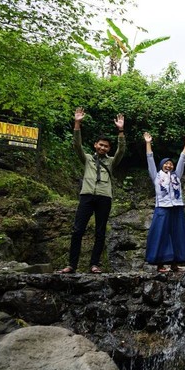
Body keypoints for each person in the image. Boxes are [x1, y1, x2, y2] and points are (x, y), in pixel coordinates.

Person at [59, 107, 125, 274]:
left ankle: (94, 264)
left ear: (108, 149)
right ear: (96, 145)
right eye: (100, 145)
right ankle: (72, 265)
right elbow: (76, 145)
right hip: (87, 196)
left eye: (106, 146)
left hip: (104, 197)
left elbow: (121, 151)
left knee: (100, 232)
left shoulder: (110, 162)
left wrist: (121, 131)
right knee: (77, 230)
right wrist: (77, 123)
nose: (103, 148)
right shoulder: (87, 159)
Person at [143, 132, 185, 273]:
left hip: (177, 207)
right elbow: (150, 159)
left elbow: (182, 160)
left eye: (171, 164)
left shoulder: (177, 175)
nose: (169, 166)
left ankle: (175, 263)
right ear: (161, 166)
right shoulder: (156, 176)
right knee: (161, 234)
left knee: (178, 234)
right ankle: (160, 264)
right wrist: (148, 143)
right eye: (166, 164)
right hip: (162, 208)